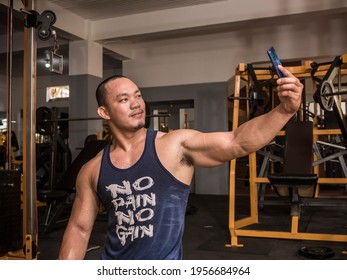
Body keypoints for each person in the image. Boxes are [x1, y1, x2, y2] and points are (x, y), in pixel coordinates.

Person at [58, 65, 303, 260]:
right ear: (104, 112)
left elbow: (236, 141)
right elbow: (79, 229)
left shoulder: (174, 145)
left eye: (138, 96)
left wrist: (284, 110)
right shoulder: (92, 169)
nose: (136, 104)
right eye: (123, 99)